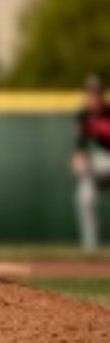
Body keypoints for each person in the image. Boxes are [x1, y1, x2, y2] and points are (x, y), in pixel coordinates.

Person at [72, 74, 110, 251]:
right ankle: (91, 249)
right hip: (102, 160)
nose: (93, 96)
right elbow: (80, 143)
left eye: (96, 92)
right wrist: (79, 156)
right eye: (90, 92)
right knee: (84, 197)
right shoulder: (85, 115)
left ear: (102, 95)